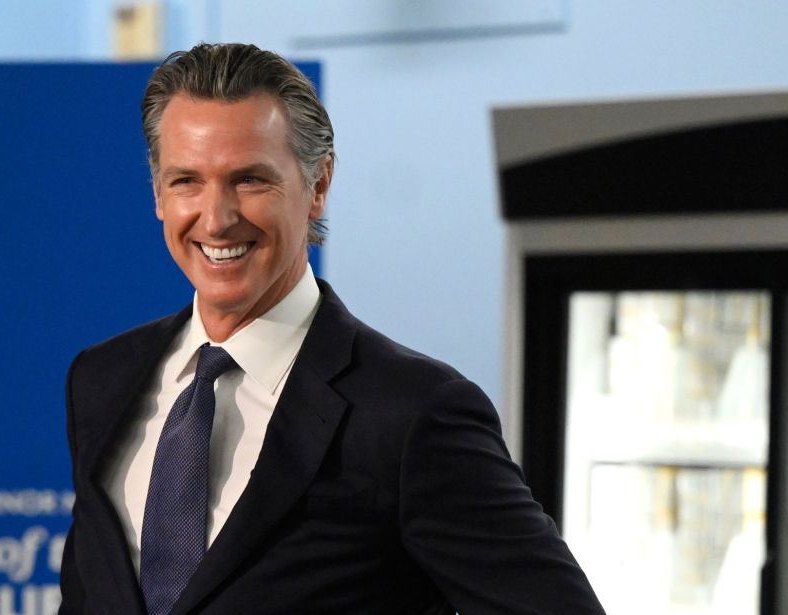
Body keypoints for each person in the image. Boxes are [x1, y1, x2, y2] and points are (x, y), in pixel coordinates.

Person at [59, 42, 605, 615]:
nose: (216, 218)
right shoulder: (101, 380)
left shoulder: (413, 415)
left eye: (249, 180)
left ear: (318, 186)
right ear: (157, 194)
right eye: (186, 181)